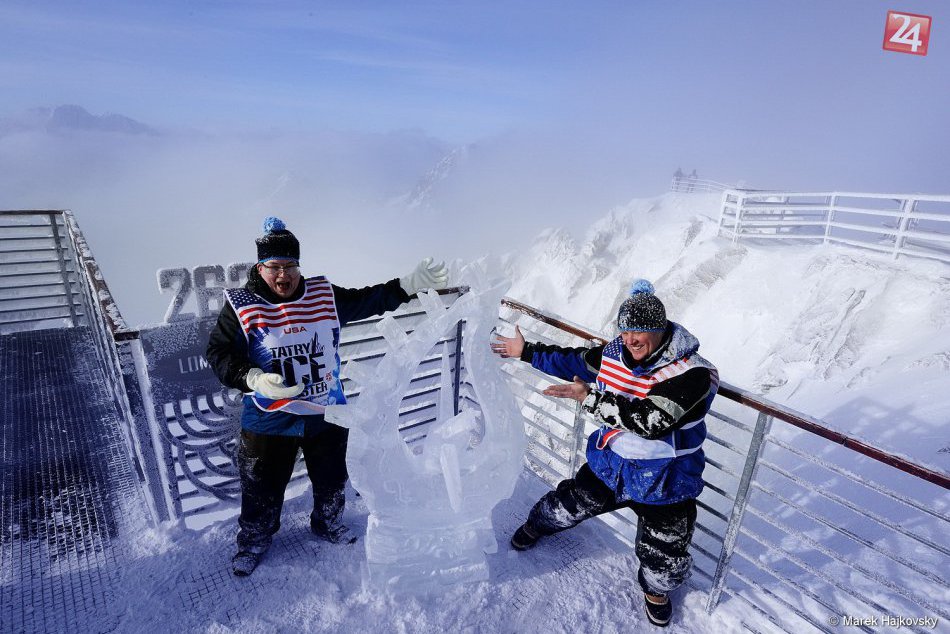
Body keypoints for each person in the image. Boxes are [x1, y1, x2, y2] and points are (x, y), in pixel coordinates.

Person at [206, 216, 448, 577]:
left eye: (290, 266)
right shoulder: (242, 305)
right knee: (261, 486)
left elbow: (367, 300)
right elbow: (219, 352)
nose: (283, 275)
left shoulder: (323, 295)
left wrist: (407, 285)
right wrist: (251, 377)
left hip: (326, 412)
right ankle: (254, 540)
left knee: (332, 478)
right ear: (260, 268)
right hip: (269, 417)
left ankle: (327, 522)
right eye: (274, 267)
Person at [491, 279, 718, 627]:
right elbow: (573, 362)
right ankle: (537, 525)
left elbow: (651, 421)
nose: (630, 340)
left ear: (659, 329)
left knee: (664, 551)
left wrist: (589, 398)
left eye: (638, 332)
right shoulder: (615, 353)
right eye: (624, 332)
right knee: (568, 504)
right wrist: (527, 352)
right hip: (611, 466)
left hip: (666, 482)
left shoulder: (693, 373)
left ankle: (656, 591)